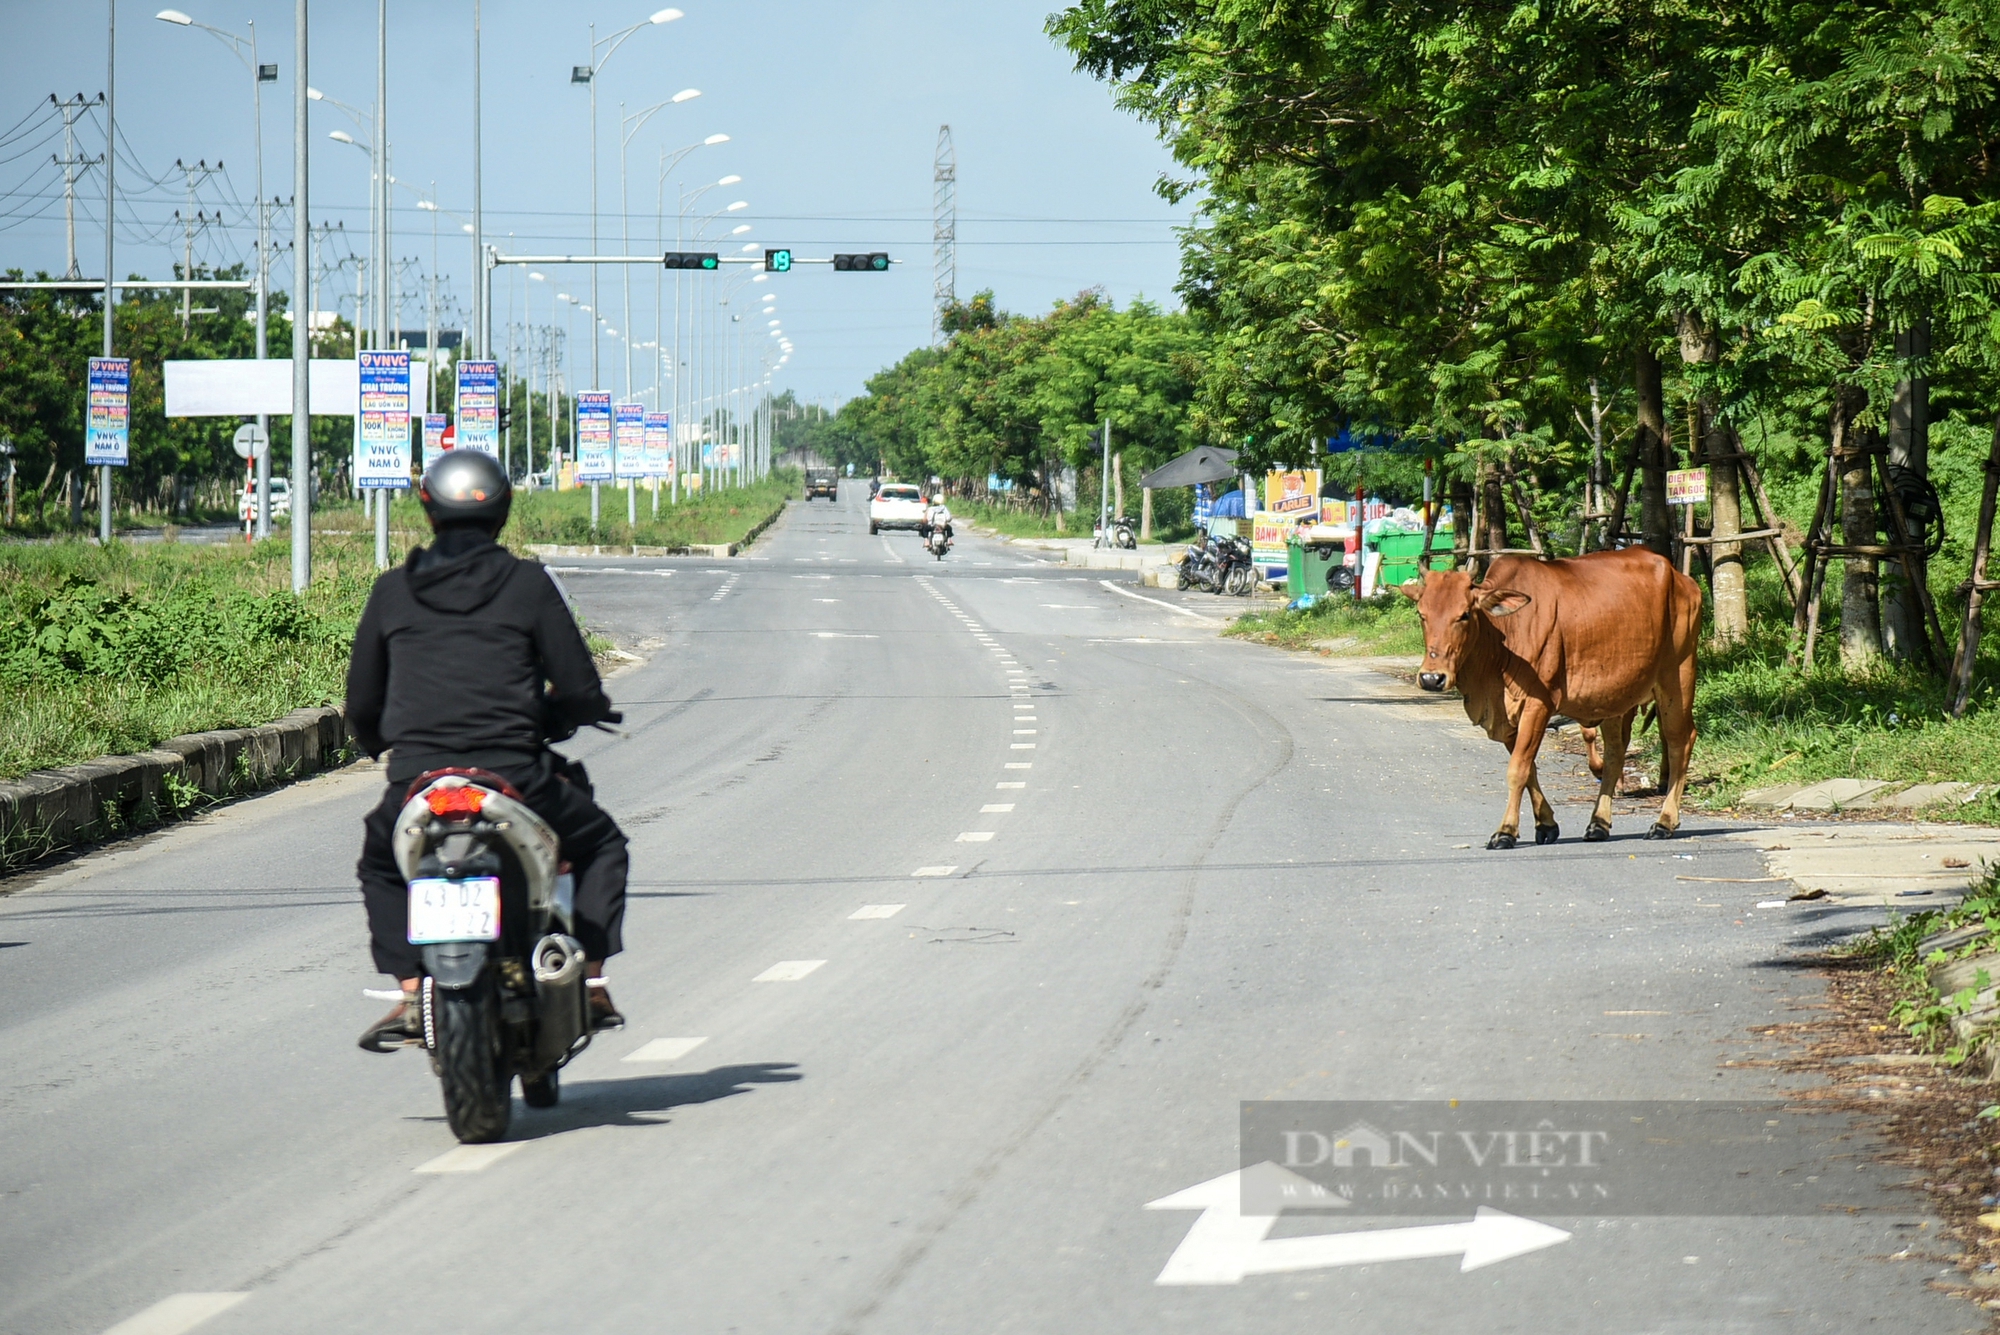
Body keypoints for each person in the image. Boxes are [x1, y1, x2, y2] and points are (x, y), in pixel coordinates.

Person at [346, 451, 630, 1052]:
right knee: (601, 842)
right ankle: (595, 979)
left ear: (427, 508)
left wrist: (380, 745)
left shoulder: (392, 591)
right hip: (517, 776)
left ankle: (408, 988)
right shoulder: (527, 584)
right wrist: (556, 717)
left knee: (379, 862)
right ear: (503, 509)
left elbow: (362, 705)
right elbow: (580, 690)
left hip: (419, 784)